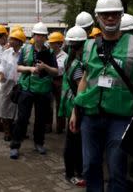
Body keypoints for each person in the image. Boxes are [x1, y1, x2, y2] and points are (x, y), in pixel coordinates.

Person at [70, 0, 133, 191]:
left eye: (114, 14)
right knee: (90, 165)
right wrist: (75, 109)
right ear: (97, 17)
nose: (110, 18)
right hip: (90, 116)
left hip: (121, 118)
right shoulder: (90, 45)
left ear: (121, 16)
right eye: (105, 14)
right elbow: (85, 79)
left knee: (117, 169)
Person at [10, 22, 58, 160]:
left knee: (41, 119)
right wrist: (31, 69)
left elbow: (55, 71)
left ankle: (39, 143)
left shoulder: (49, 52)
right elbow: (18, 68)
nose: (40, 38)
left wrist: (45, 67)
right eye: (38, 35)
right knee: (22, 118)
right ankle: (15, 145)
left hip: (43, 90)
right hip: (27, 89)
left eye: (43, 35)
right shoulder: (25, 50)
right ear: (34, 36)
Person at [58, 26, 87, 187]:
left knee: (74, 140)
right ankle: (73, 173)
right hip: (77, 107)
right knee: (74, 141)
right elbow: (80, 89)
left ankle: (74, 172)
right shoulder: (77, 65)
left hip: (73, 106)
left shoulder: (71, 61)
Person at [0, 29, 26, 141]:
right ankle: (7, 132)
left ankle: (17, 131)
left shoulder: (24, 54)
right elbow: (2, 68)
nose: (10, 40)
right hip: (6, 84)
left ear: (19, 42)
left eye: (13, 39)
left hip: (19, 85)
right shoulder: (6, 53)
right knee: (4, 108)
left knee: (18, 110)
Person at [47, 31, 67, 134]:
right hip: (50, 79)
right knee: (48, 103)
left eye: (53, 43)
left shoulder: (64, 56)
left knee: (60, 104)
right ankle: (48, 125)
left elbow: (58, 69)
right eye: (50, 43)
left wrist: (47, 67)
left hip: (59, 80)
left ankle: (60, 126)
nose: (50, 44)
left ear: (59, 43)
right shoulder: (49, 54)